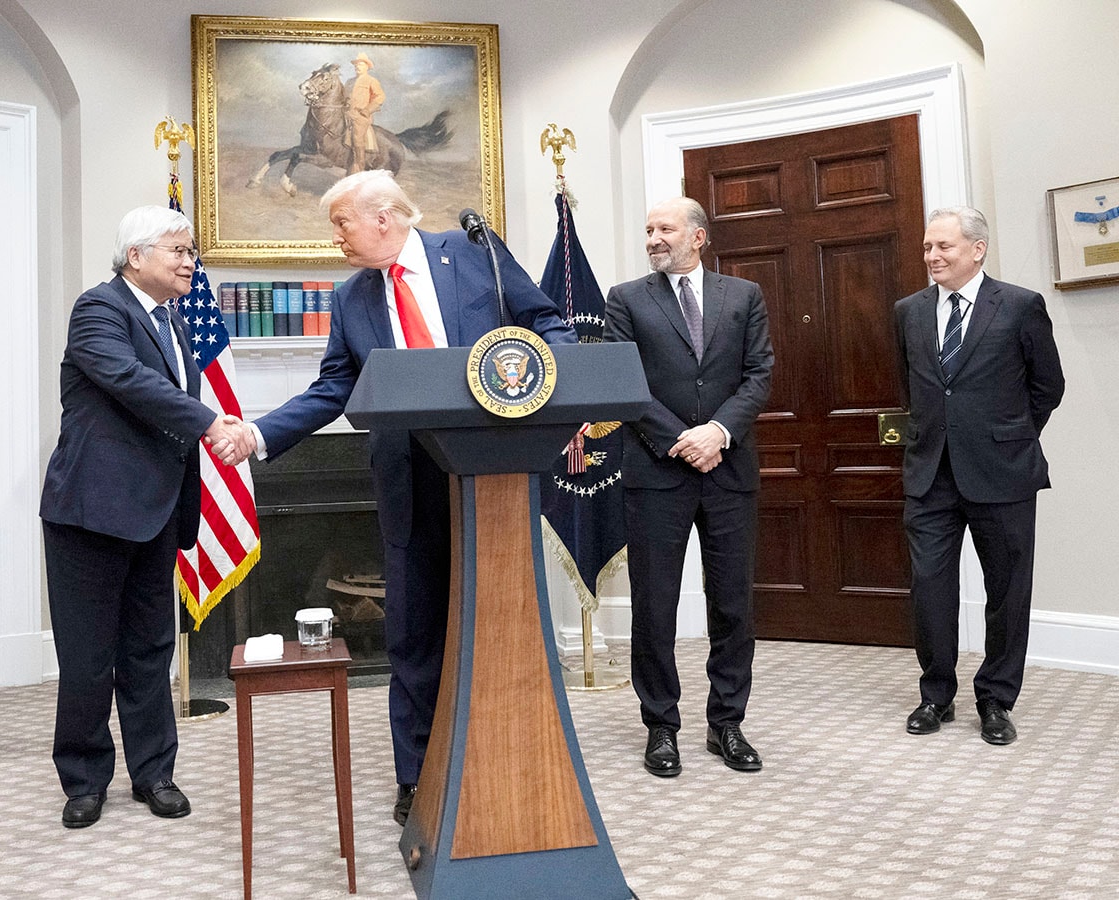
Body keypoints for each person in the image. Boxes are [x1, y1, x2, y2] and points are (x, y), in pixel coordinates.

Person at [217, 170, 576, 825]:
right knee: (413, 634)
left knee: (502, 626)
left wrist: (560, 392)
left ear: (383, 218)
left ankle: (508, 756)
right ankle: (417, 777)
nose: (337, 239)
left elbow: (545, 323)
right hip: (409, 479)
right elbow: (333, 388)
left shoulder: (473, 254)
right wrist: (259, 433)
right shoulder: (353, 297)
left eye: (341, 223)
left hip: (491, 474)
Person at [40, 206, 254, 828]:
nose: (192, 261)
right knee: (88, 657)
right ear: (136, 256)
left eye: (192, 251)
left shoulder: (175, 322)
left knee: (149, 649)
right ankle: (83, 780)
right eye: (179, 251)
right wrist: (211, 421)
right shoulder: (99, 310)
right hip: (93, 511)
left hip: (157, 511)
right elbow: (129, 381)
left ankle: (154, 773)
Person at [602, 197, 773, 777]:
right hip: (658, 471)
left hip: (729, 470)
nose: (653, 238)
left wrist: (719, 432)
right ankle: (661, 727)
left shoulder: (743, 296)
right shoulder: (625, 299)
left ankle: (727, 722)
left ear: (698, 237)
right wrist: (683, 440)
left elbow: (759, 375)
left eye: (665, 229)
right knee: (655, 605)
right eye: (647, 229)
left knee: (733, 603)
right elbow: (623, 383)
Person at [895, 206, 1064, 745]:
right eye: (927, 248)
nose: (932, 256)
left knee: (1007, 590)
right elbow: (914, 389)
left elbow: (1048, 386)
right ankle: (935, 694)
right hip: (930, 475)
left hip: (1004, 473)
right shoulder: (908, 311)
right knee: (930, 589)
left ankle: (995, 698)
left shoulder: (1019, 306)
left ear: (977, 249)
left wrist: (1009, 435)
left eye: (943, 246)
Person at [344, 52, 385, 174]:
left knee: (357, 139)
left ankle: (358, 168)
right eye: (356, 65)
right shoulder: (349, 82)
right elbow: (344, 97)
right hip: (346, 113)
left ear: (367, 66)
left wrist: (367, 110)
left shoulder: (371, 81)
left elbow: (380, 96)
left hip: (360, 116)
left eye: (360, 64)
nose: (357, 67)